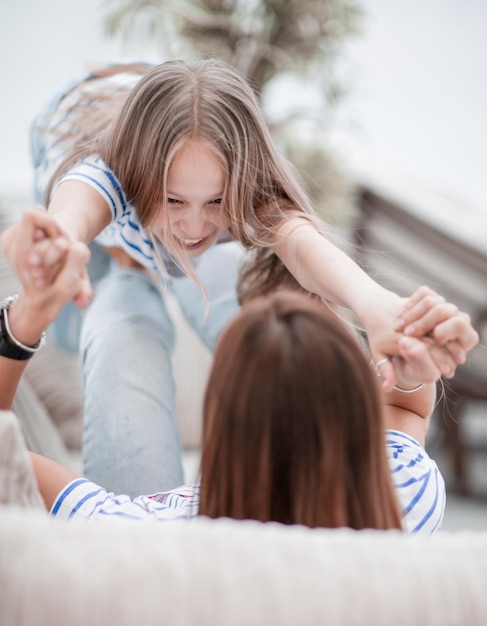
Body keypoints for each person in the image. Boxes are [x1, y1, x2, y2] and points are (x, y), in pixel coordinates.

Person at [14, 59, 473, 497]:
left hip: (162, 139)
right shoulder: (109, 173)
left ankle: (153, 250)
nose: (194, 227)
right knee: (107, 310)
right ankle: (131, 263)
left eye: (214, 202)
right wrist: (59, 239)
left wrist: (375, 305)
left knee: (216, 269)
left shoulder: (241, 183)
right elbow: (75, 212)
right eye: (173, 201)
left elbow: (302, 245)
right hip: (81, 132)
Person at [0, 210, 480, 533]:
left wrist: (27, 319)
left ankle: (141, 262)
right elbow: (404, 407)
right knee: (211, 270)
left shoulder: (144, 534)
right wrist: (412, 368)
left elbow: (7, 458)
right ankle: (162, 257)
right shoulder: (404, 499)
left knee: (133, 305)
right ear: (355, 414)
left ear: (222, 419)